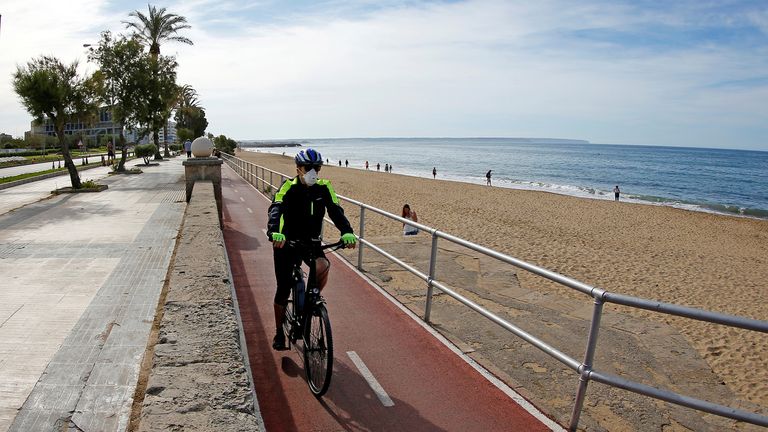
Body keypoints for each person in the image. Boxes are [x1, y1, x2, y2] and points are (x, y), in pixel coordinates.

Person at [267, 148, 357, 350]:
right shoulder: (288, 187)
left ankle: (310, 302)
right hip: (286, 242)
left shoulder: (324, 188)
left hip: (312, 242)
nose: (313, 172)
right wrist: (274, 232)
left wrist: (347, 231)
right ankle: (279, 332)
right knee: (283, 288)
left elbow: (336, 210)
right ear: (298, 168)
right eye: (309, 167)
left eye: (317, 167)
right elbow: (276, 208)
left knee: (323, 266)